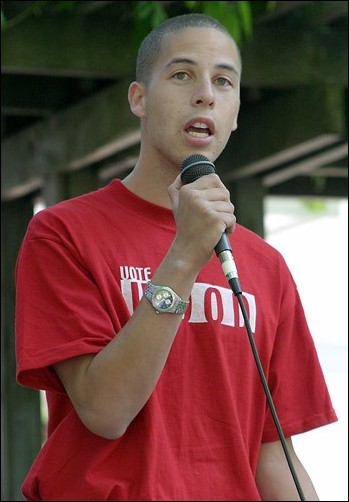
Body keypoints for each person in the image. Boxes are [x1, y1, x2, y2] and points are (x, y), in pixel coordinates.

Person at [15, 12, 338, 501]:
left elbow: (272, 454)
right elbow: (105, 411)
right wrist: (185, 255)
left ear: (233, 113)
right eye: (182, 74)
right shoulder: (63, 233)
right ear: (138, 98)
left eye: (223, 81)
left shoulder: (266, 266)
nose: (205, 93)